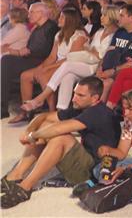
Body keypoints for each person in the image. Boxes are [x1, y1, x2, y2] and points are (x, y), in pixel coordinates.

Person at [0, 77, 119, 209]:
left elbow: (59, 129)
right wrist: (29, 131)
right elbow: (43, 117)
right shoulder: (82, 106)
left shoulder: (98, 112)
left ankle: (25, 186)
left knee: (61, 138)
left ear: (95, 98)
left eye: (80, 95)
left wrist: (33, 136)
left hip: (96, 171)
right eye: (75, 93)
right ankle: (15, 176)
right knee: (46, 125)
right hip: (86, 157)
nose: (74, 99)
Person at [22, 5, 119, 112]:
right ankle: (61, 111)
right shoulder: (99, 32)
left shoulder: (116, 35)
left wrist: (94, 53)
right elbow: (89, 48)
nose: (101, 17)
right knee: (67, 76)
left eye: (104, 15)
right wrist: (92, 51)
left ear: (112, 17)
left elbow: (105, 55)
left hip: (96, 66)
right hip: (87, 61)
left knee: (68, 62)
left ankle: (40, 99)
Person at [11, 8, 89, 122]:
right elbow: (52, 57)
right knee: (26, 75)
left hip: (70, 65)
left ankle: (52, 112)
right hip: (58, 63)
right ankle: (26, 112)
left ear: (70, 20)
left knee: (43, 76)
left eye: (62, 17)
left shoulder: (79, 36)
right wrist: (40, 68)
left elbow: (70, 59)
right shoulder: (59, 34)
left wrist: (46, 69)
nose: (59, 19)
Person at [1, 3, 58, 119]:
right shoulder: (37, 28)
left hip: (42, 60)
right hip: (31, 58)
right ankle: (7, 107)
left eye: (32, 12)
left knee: (6, 61)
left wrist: (23, 51)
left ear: (41, 13)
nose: (28, 15)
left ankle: (3, 107)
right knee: (6, 61)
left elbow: (45, 50)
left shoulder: (51, 27)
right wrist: (21, 51)